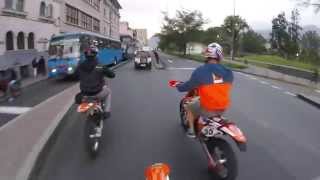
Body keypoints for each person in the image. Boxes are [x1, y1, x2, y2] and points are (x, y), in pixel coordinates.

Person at [175, 43, 234, 138]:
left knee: (189, 107)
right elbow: (218, 86)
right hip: (223, 107)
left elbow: (188, 86)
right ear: (219, 56)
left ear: (207, 55)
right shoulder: (228, 72)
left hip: (208, 107)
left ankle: (191, 131)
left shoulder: (201, 70)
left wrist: (179, 86)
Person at [76, 45, 115, 118]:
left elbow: (76, 75)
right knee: (108, 92)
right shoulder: (99, 66)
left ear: (85, 55)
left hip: (84, 94)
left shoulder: (80, 65)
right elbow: (112, 75)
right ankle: (106, 111)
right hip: (97, 93)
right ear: (96, 54)